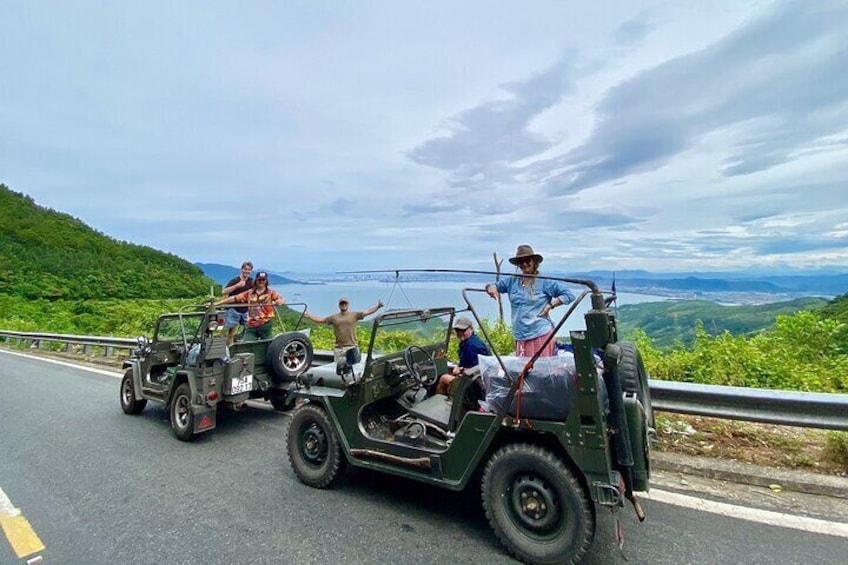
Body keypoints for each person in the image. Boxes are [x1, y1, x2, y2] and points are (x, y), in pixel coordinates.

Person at [485, 244, 574, 358]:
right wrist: (490, 288)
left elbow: (569, 295)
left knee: (538, 372)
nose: (524, 264)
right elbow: (495, 286)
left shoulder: (544, 281)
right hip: (519, 336)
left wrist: (550, 305)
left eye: (527, 260)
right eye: (521, 261)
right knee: (522, 372)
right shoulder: (512, 281)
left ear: (534, 262)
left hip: (539, 334)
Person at [304, 297, 383, 364]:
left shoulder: (354, 315)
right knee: (339, 372)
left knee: (354, 370)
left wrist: (378, 307)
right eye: (342, 304)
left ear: (348, 305)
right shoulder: (334, 317)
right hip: (339, 349)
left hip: (352, 347)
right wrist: (309, 316)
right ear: (339, 305)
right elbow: (321, 320)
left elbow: (368, 312)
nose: (344, 305)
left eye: (345, 303)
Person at [216, 271, 285, 341]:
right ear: (256, 280)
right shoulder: (250, 292)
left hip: (265, 324)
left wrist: (280, 302)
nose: (261, 281)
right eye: (259, 280)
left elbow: (281, 299)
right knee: (246, 343)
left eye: (263, 280)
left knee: (267, 344)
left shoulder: (271, 293)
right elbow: (235, 298)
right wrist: (217, 303)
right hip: (252, 325)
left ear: (266, 281)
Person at [436, 316, 490, 396]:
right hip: (476, 379)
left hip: (475, 384)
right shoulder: (468, 341)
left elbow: (475, 370)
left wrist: (460, 371)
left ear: (471, 328)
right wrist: (459, 367)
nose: (460, 333)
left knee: (443, 378)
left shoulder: (472, 346)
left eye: (463, 330)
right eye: (458, 330)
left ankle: (439, 404)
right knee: (450, 371)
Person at [221, 261, 254, 345]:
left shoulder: (251, 281)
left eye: (249, 270)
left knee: (250, 331)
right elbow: (224, 291)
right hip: (233, 309)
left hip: (246, 310)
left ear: (251, 271)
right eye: (245, 269)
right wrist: (237, 286)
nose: (247, 271)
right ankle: (228, 350)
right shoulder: (235, 280)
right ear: (241, 269)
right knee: (231, 333)